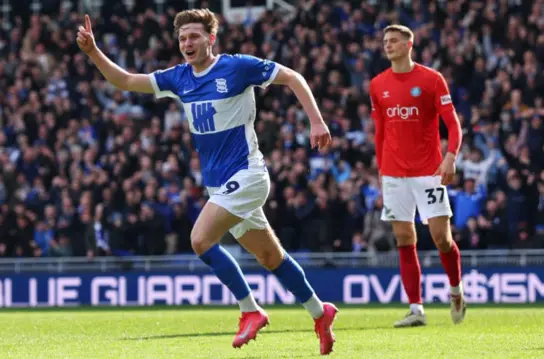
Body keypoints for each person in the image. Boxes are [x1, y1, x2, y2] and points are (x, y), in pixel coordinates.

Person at [76, 9, 338, 355]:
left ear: (210, 39)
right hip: (220, 185)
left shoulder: (237, 67)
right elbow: (125, 81)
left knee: (200, 239)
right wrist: (94, 52)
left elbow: (293, 77)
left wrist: (316, 121)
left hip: (248, 175)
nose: (187, 43)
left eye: (194, 36)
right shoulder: (178, 77)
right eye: (183, 37)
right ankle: (321, 313)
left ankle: (250, 310)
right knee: (270, 257)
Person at [369, 25, 466, 328]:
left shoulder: (431, 79)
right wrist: (381, 171)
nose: (388, 45)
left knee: (441, 238)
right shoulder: (377, 84)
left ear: (409, 44)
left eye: (394, 40)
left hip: (429, 172)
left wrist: (451, 156)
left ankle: (456, 290)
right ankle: (416, 309)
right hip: (395, 174)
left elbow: (453, 123)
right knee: (403, 238)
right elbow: (380, 132)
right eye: (385, 41)